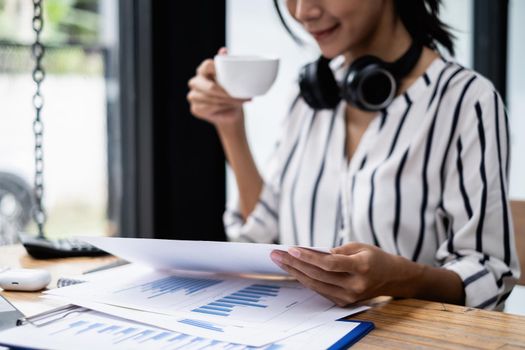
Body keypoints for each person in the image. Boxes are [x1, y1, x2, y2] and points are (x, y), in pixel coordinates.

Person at [187, 0, 520, 310]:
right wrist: (230, 127)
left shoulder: (467, 102)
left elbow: (489, 275)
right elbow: (264, 236)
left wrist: (401, 279)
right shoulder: (308, 98)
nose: (303, 11)